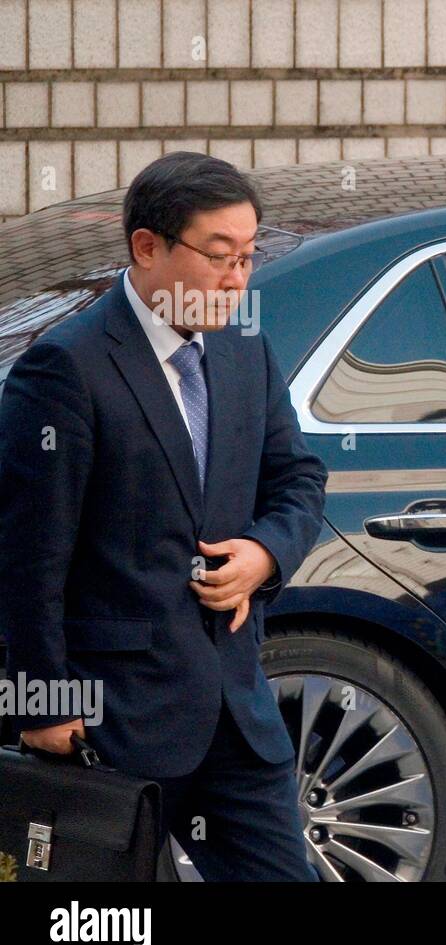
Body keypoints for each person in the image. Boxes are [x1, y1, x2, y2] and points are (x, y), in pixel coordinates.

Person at [0, 152, 328, 881]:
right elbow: (28, 558)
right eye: (219, 256)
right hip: (112, 720)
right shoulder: (65, 368)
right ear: (147, 247)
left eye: (248, 257)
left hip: (237, 716)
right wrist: (41, 702)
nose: (238, 279)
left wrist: (264, 555)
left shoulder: (246, 350)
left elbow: (299, 479)